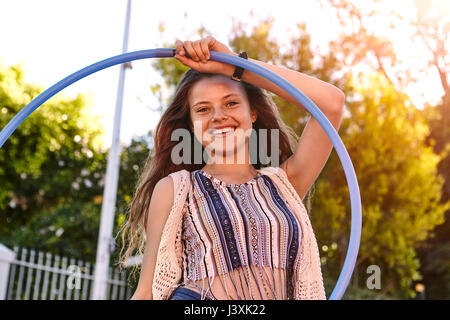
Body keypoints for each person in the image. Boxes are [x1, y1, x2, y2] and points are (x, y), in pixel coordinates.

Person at [119, 35, 345, 300]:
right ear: (191, 125)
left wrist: (235, 67)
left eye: (231, 103)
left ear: (252, 113)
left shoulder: (285, 184)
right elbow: (145, 293)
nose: (218, 116)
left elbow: (331, 103)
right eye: (203, 109)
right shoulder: (175, 189)